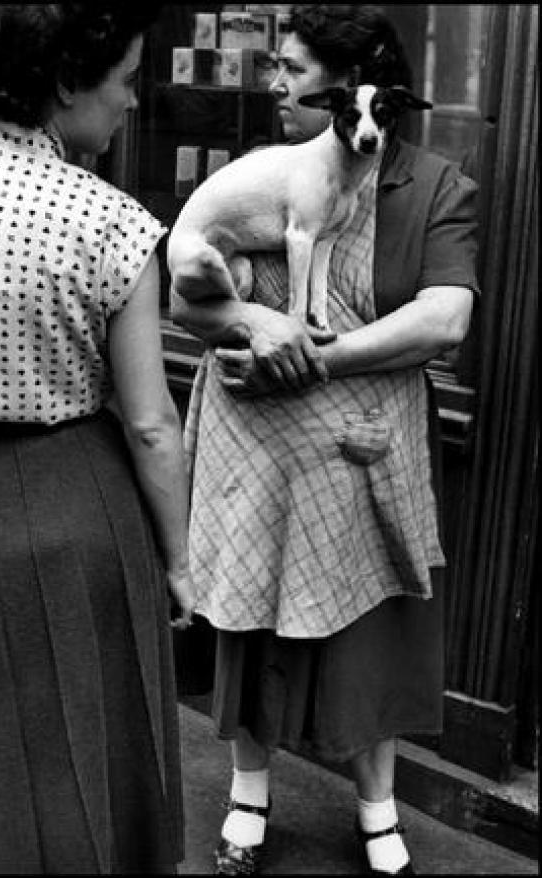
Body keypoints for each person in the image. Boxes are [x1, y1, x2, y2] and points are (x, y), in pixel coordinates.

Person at [170, 5, 479, 876]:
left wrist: (315, 356)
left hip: (363, 438)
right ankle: (247, 797)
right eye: (277, 66)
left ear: (363, 81)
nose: (275, 84)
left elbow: (443, 319)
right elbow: (183, 298)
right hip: (259, 439)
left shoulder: (433, 186)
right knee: (254, 625)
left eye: (295, 70)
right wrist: (256, 326)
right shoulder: (265, 176)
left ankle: (379, 812)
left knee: (369, 625)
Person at [0, 4, 195, 874]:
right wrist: (178, 563)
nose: (133, 104)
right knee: (83, 757)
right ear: (66, 82)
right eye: (128, 81)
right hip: (68, 511)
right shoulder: (113, 224)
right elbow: (149, 423)